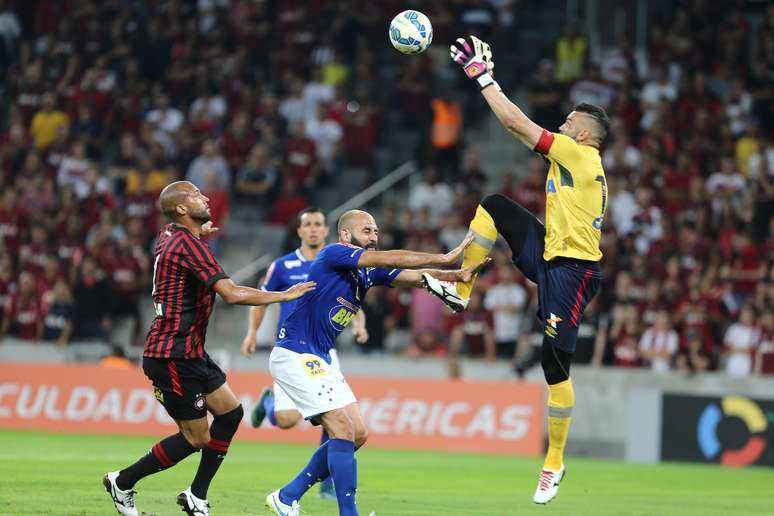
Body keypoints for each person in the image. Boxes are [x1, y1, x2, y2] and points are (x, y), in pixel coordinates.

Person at [424, 36, 609, 505]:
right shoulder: (574, 153)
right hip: (551, 251)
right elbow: (517, 129)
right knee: (492, 206)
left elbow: (514, 122)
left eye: (570, 123)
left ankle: (554, 461)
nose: (562, 125)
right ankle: (463, 290)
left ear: (584, 135)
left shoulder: (581, 155)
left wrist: (482, 75)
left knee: (553, 366)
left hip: (574, 271)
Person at [103, 181, 315, 516]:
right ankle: (123, 481)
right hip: (171, 354)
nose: (204, 197)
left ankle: (195, 496)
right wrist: (283, 296)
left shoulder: (170, 235)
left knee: (231, 412)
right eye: (195, 195)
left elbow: (183, 251)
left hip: (190, 350)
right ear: (182, 210)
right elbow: (231, 294)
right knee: (196, 438)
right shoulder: (188, 245)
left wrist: (199, 233)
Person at [264, 210, 485, 516]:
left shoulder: (367, 272)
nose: (374, 237)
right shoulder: (334, 254)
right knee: (341, 429)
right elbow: (393, 259)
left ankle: (287, 496)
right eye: (366, 231)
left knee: (358, 433)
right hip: (295, 353)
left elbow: (417, 278)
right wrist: (445, 258)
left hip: (320, 357)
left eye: (376, 231)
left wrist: (454, 276)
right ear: (345, 235)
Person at [239, 207, 365, 500]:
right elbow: (261, 300)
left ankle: (327, 483)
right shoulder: (282, 266)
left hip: (324, 348)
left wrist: (359, 324)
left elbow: (354, 298)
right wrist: (252, 333)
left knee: (339, 419)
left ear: (326, 230)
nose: (312, 229)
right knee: (286, 421)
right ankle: (269, 402)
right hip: (294, 349)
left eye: (318, 224)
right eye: (307, 224)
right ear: (299, 231)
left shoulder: (339, 263)